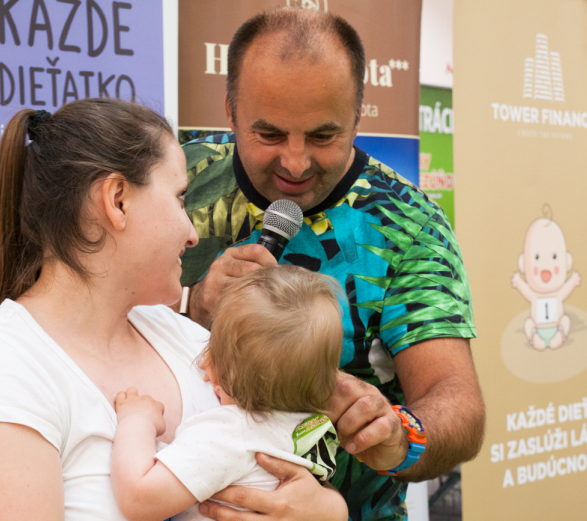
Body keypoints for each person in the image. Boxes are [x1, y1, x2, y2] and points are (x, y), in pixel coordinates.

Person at [0, 99, 348, 521]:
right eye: (179, 198)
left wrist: (328, 510)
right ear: (117, 199)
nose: (192, 233)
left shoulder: (188, 339)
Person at [177, 8, 486, 521]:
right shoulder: (177, 179)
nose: (295, 162)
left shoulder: (408, 224)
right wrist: (187, 306)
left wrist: (397, 434)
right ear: (229, 111)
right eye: (270, 135)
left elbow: (458, 403)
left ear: (359, 116)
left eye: (323, 136)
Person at [112, 265, 344, 521]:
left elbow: (139, 500)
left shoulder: (228, 433)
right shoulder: (315, 428)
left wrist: (137, 421)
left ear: (215, 367)